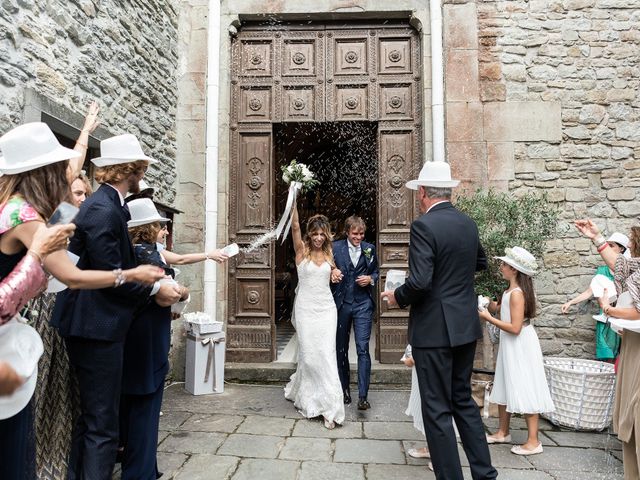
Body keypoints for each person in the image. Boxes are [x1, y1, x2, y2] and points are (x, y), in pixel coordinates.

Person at [0, 123, 164, 480]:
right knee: (82, 427)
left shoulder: (16, 208)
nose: (64, 175)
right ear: (40, 173)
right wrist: (133, 276)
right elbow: (70, 275)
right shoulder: (27, 218)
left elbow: (72, 180)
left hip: (18, 336)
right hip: (11, 339)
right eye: (56, 169)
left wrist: (86, 131)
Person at [51, 133, 181, 480]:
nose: (142, 173)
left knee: (93, 418)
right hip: (97, 327)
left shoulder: (107, 206)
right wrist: (155, 291)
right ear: (130, 169)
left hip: (95, 325)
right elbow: (112, 275)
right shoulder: (104, 210)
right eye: (140, 167)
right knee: (103, 426)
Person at [381, 161, 496, 480]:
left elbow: (419, 282)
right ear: (447, 190)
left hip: (433, 331)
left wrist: (396, 297)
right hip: (463, 327)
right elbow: (481, 263)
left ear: (422, 193)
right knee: (462, 401)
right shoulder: (467, 223)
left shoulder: (424, 226)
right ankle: (485, 474)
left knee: (436, 410)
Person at [119, 198, 191, 480]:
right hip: (148, 335)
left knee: (132, 402)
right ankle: (140, 472)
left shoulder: (130, 252)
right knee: (146, 404)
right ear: (147, 228)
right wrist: (183, 293)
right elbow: (171, 293)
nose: (164, 229)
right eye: (160, 225)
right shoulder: (147, 255)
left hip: (134, 333)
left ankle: (139, 464)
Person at [575, 219, 640, 479]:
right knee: (628, 417)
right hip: (633, 343)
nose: (630, 249)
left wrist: (609, 309)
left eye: (632, 244)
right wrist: (597, 237)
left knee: (635, 411)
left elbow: (637, 310)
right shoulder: (635, 266)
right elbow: (620, 266)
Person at [478, 246, 555, 455]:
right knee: (504, 382)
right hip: (509, 345)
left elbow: (515, 327)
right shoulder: (509, 291)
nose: (501, 267)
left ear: (514, 270)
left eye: (504, 264)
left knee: (525, 384)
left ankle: (533, 441)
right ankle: (503, 432)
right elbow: (501, 309)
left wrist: (488, 319)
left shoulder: (517, 294)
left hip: (520, 345)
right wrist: (489, 305)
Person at [284, 198, 345, 429]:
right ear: (310, 235)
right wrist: (294, 198)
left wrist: (335, 273)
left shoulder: (330, 254)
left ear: (326, 235)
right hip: (306, 309)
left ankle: (331, 408)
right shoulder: (301, 251)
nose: (318, 238)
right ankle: (310, 398)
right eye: (315, 234)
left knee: (326, 355)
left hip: (327, 310)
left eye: (322, 234)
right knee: (309, 356)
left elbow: (333, 274)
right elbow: (295, 226)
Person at [330, 216, 378, 409]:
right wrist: (332, 271)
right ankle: (344, 390)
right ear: (347, 232)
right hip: (342, 304)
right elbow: (324, 265)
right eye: (355, 233)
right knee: (340, 349)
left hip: (363, 304)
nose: (359, 237)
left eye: (361, 233)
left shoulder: (370, 248)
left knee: (362, 348)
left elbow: (376, 272)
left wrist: (370, 278)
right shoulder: (335, 248)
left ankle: (363, 396)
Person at [561, 232, 629, 363]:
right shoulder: (602, 270)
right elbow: (589, 292)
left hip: (622, 317)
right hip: (605, 317)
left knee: (622, 356)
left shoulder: (627, 270)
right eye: (607, 245)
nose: (608, 248)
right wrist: (570, 302)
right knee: (606, 355)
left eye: (612, 246)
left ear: (622, 249)